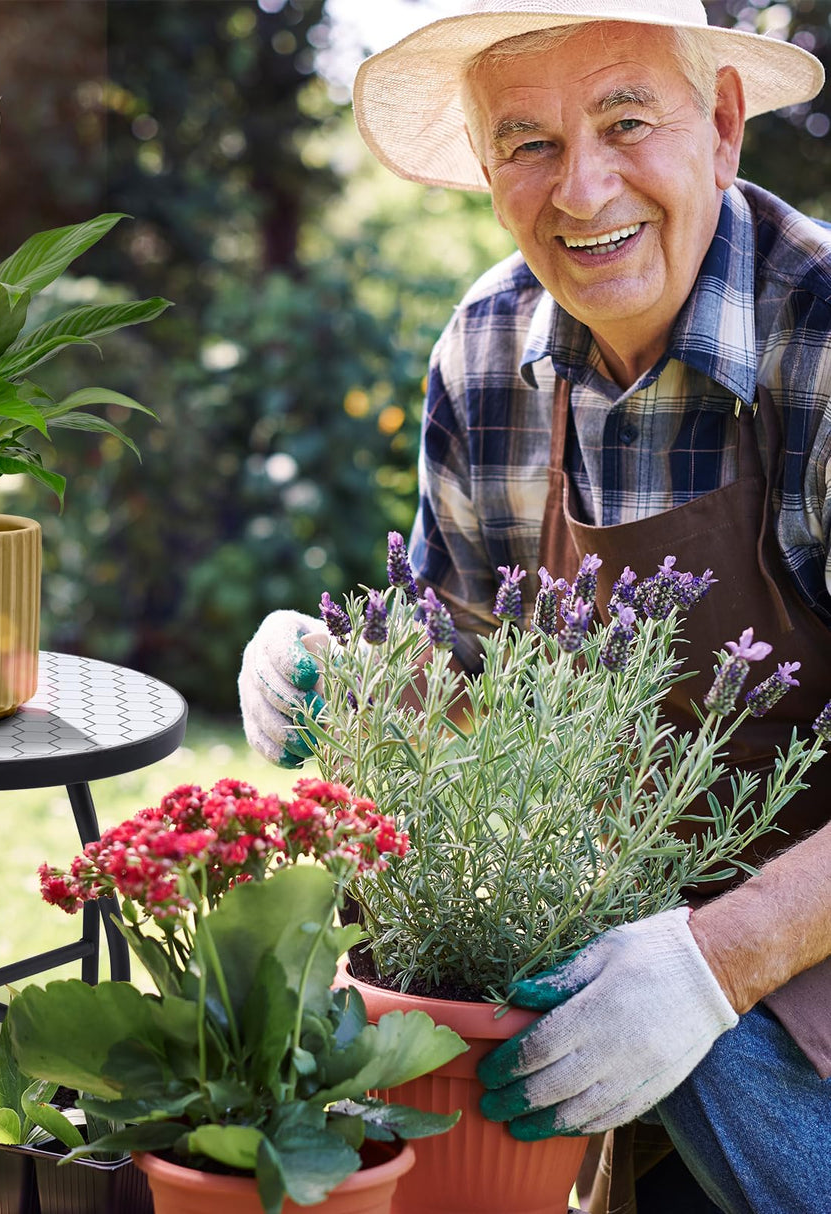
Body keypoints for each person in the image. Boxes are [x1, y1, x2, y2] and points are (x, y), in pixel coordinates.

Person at [237, 2, 831, 1210]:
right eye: (528, 144)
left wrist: (713, 963)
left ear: (719, 127)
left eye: (625, 120)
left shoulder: (818, 341)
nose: (582, 189)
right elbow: (470, 707)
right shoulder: (485, 349)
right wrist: (343, 677)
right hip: (633, 988)